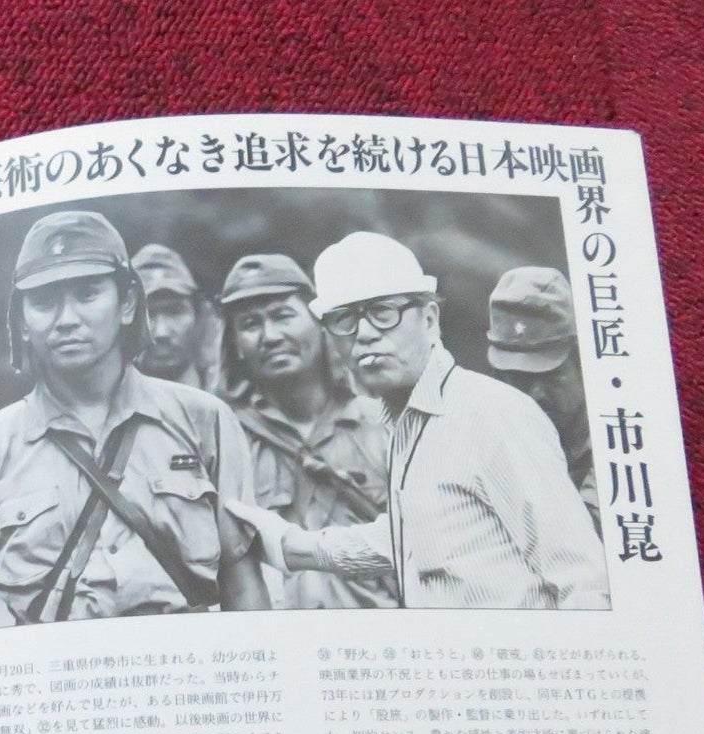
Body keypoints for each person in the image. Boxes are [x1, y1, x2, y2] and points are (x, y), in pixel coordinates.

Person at [0, 211, 268, 633]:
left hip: (187, 666)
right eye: (44, 301)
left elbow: (244, 587)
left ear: (127, 304)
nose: (66, 319)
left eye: (87, 294)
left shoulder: (205, 422)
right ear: (22, 321)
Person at [224, 232, 609, 610]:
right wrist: (290, 545)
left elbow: (583, 577)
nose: (365, 334)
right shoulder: (405, 424)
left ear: (429, 318)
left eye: (382, 312)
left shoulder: (491, 413)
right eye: (345, 320)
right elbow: (413, 534)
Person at [216, 253, 394, 610]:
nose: (269, 336)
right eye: (250, 324)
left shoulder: (383, 425)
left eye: (283, 316)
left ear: (320, 324)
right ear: (235, 346)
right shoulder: (224, 441)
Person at [486, 266, 603, 538]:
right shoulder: (489, 437)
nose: (535, 394)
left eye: (549, 375)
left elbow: (582, 536)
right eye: (518, 378)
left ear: (581, 361)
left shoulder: (614, 434)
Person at [132, 243, 221, 393]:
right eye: (146, 314)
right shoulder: (101, 404)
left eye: (174, 312)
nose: (161, 333)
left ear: (200, 317)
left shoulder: (228, 402)